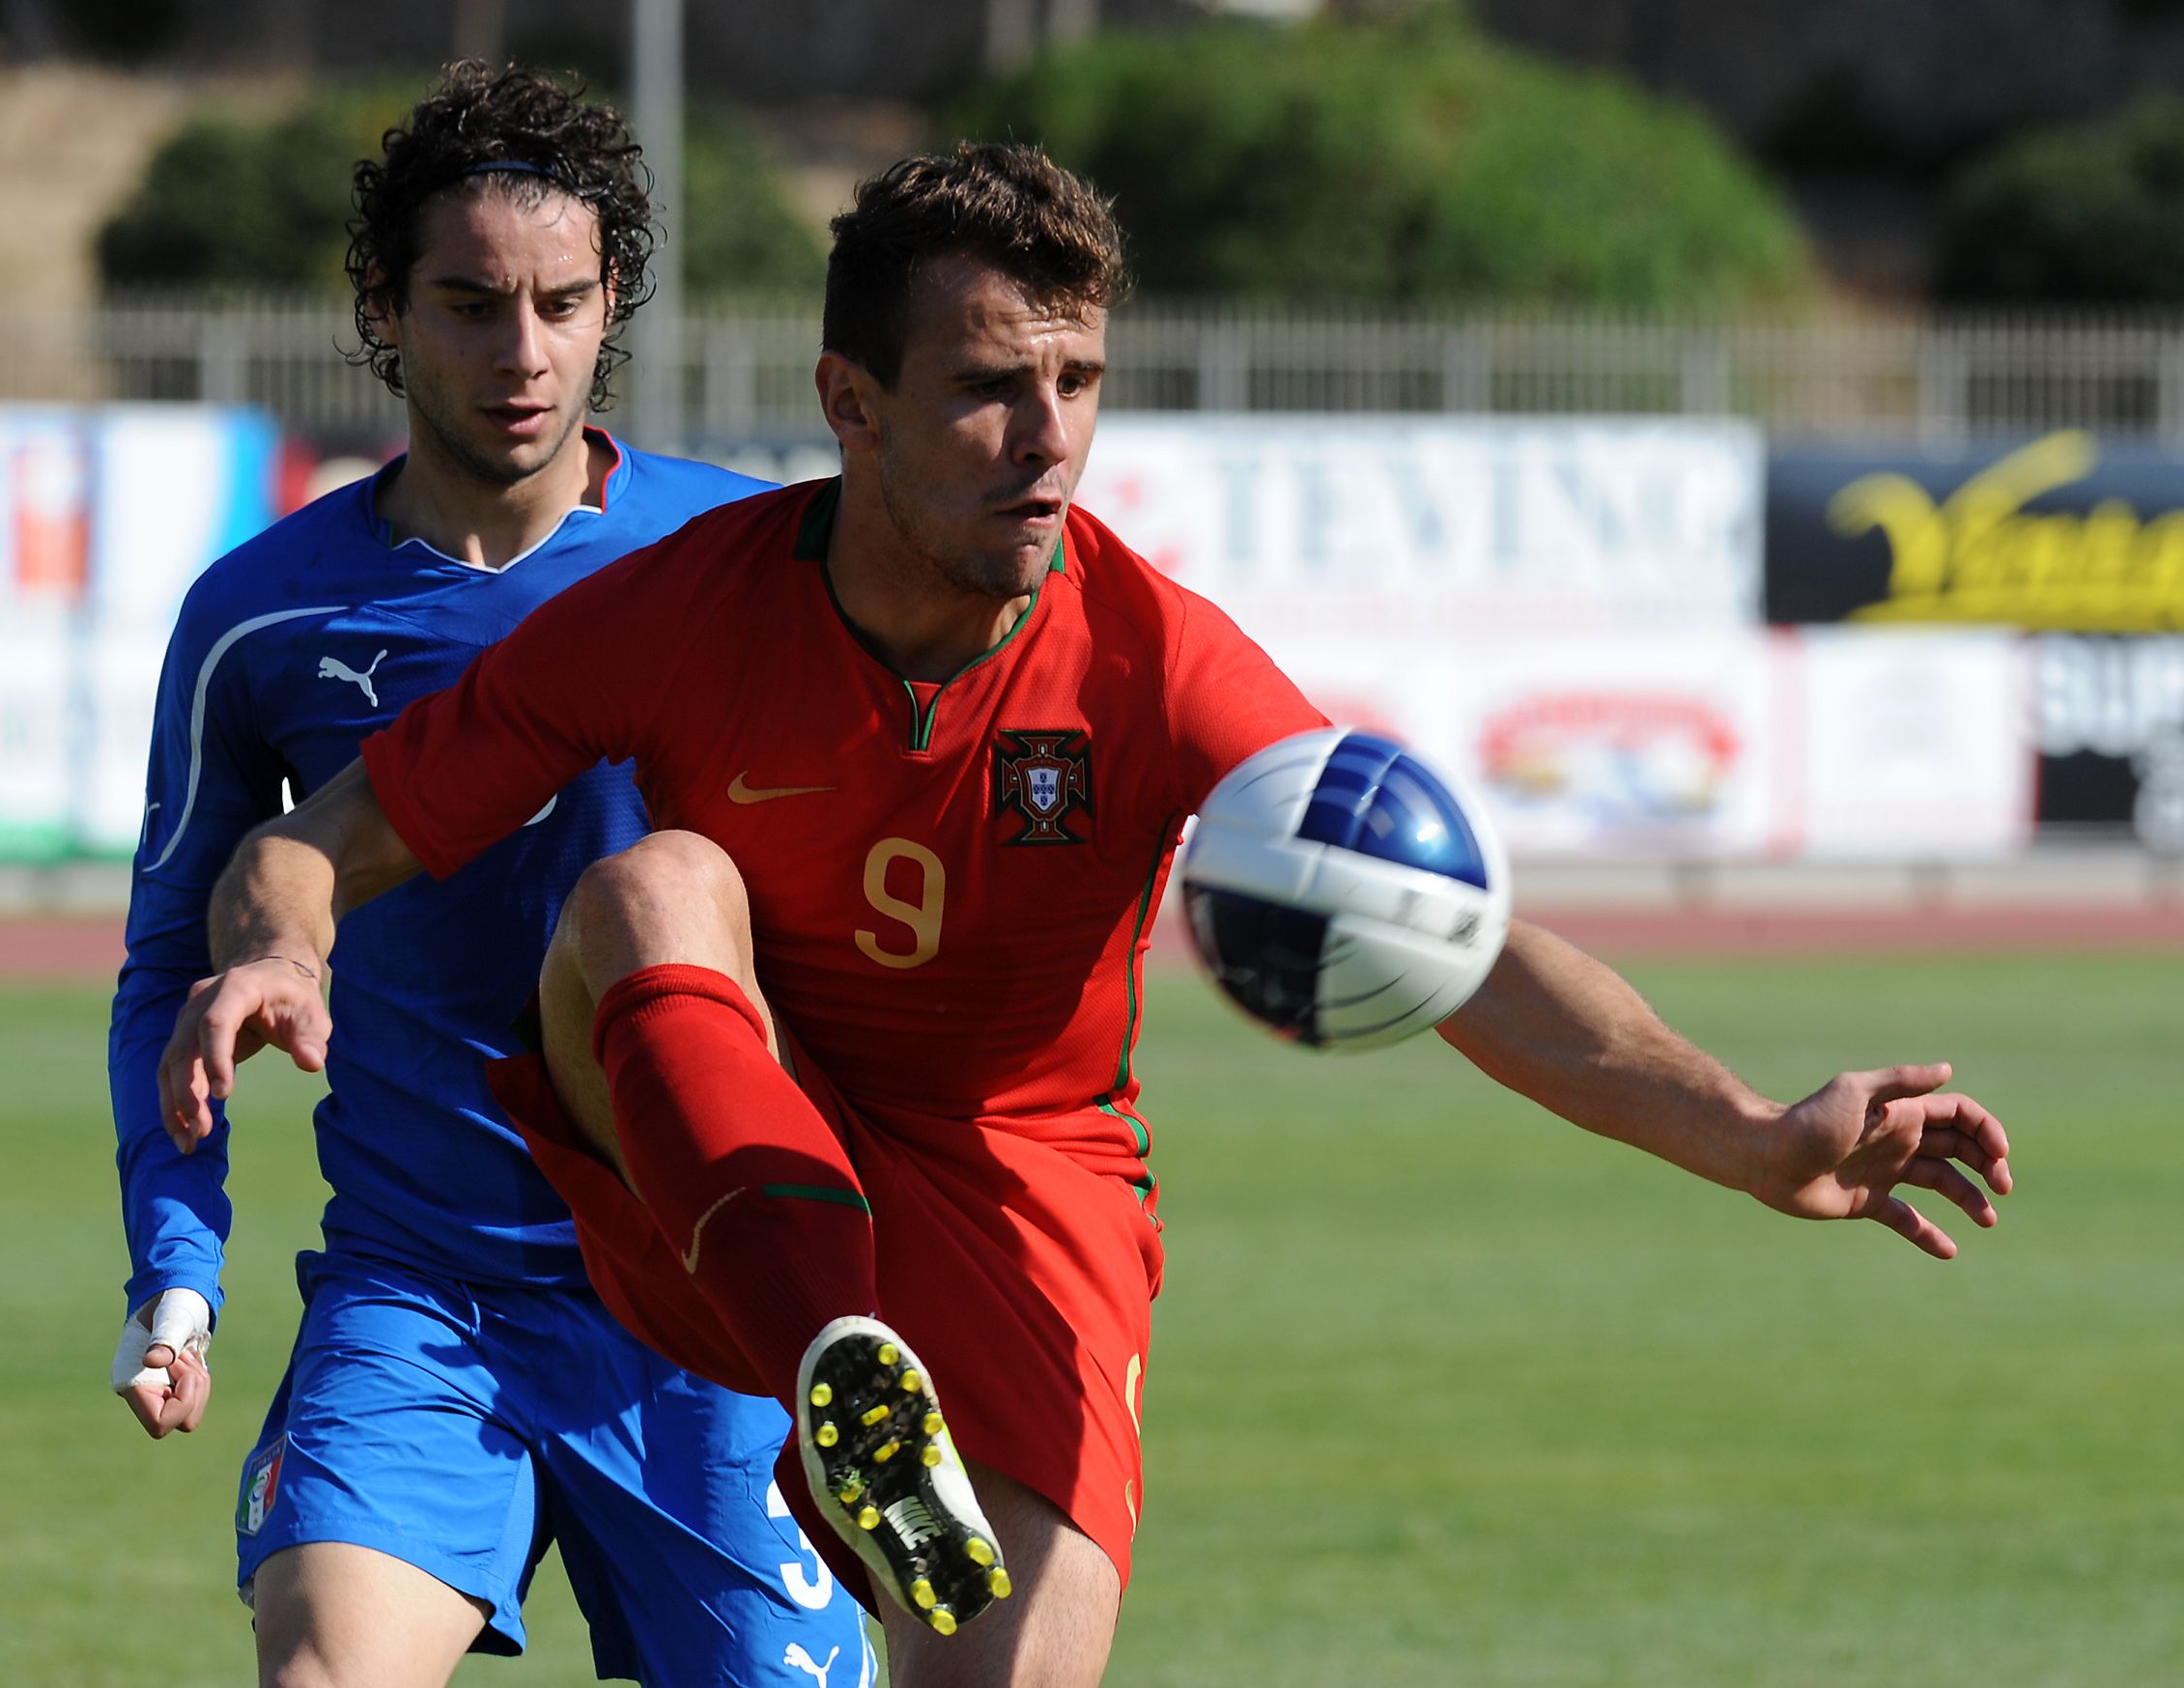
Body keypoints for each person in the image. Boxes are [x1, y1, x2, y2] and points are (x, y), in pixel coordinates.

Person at [155, 143, 2015, 1688]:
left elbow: (1458, 950)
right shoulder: (682, 605)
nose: (1046, 437)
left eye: (1079, 383)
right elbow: (327, 835)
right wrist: (287, 941)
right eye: (985, 387)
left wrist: (1757, 1135)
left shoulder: (1154, 658)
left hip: (1024, 1182)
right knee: (657, 883)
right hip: (713, 1160)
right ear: (850, 402)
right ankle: (827, 1359)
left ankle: (854, 1393)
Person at [105, 62, 869, 1688]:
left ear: (613, 309)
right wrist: (177, 1268)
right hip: (419, 1298)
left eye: (563, 303)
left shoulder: (749, 568)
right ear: (385, 308)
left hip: (707, 1313)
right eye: (468, 304)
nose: (522, 354)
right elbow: (174, 970)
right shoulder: (264, 614)